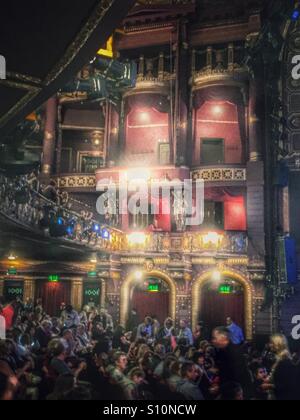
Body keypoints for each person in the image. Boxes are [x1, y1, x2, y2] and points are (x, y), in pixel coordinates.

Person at [212, 326, 253, 399]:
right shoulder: (221, 351)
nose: (213, 341)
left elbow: (236, 378)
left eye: (215, 338)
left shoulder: (234, 352)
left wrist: (220, 388)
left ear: (223, 337)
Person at [268, 334, 300, 400]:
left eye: (271, 343)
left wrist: (269, 386)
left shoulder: (284, 361)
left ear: (278, 344)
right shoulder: (281, 360)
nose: (269, 345)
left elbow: (285, 385)